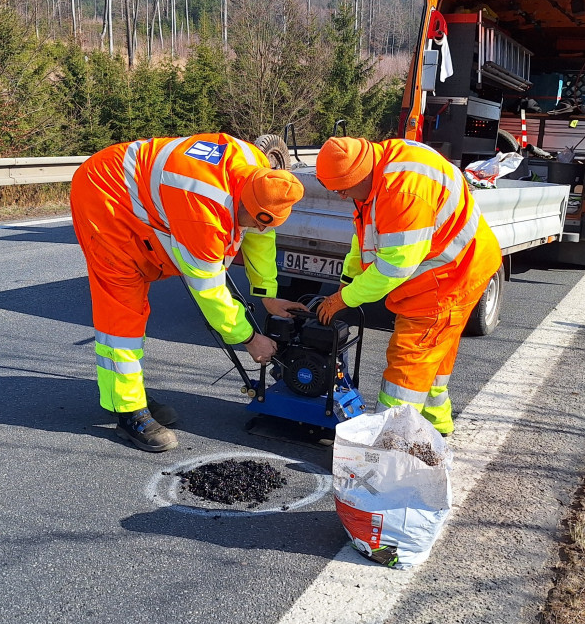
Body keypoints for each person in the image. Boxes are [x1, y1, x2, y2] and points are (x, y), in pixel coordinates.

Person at [69, 133, 307, 452]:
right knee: (122, 307)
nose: (259, 229)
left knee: (140, 288)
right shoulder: (203, 211)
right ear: (242, 201)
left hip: (147, 191)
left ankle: (128, 391)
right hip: (106, 196)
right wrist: (250, 339)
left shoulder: (263, 176)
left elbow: (259, 235)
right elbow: (208, 290)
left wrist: (268, 293)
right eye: (255, 221)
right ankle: (127, 410)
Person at [313, 136, 502, 436]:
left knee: (411, 356)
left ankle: (390, 442)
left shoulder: (401, 191)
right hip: (458, 263)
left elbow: (394, 268)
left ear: (359, 174)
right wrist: (345, 283)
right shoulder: (378, 168)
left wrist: (344, 299)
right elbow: (363, 239)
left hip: (450, 275)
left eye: (342, 189)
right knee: (435, 351)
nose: (341, 196)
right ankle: (436, 422)